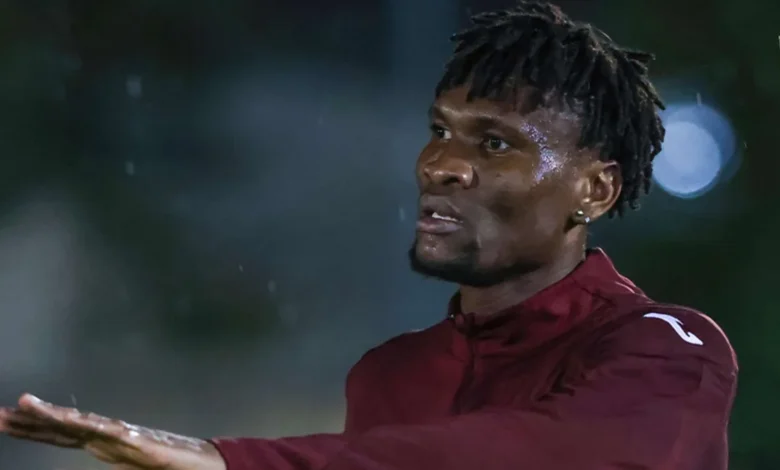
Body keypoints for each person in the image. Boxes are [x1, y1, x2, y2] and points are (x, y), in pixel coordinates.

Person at [0, 2, 737, 469]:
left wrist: (232, 461)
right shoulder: (389, 376)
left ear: (595, 190)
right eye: (440, 130)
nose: (440, 165)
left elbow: (560, 451)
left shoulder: (669, 348)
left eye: (495, 144)